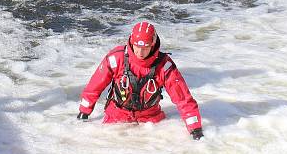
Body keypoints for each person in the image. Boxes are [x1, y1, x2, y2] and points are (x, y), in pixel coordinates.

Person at [76, 21, 204, 140]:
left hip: (151, 120)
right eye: (137, 47)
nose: (140, 52)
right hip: (116, 117)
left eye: (145, 48)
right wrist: (84, 112)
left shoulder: (164, 66)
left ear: (153, 44)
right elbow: (94, 86)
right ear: (131, 42)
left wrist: (195, 129)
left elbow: (183, 99)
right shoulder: (116, 58)